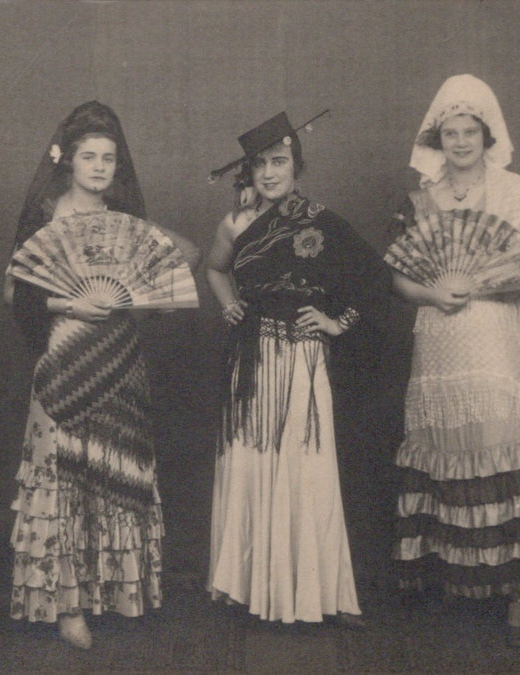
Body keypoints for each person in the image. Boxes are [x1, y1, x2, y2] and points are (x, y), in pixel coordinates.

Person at [387, 74, 520, 647]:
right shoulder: (420, 199)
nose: (461, 142)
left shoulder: (518, 195)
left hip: (495, 339)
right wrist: (431, 292)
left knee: (497, 443)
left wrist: (503, 278)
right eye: (451, 132)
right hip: (437, 339)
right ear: (437, 138)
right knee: (445, 445)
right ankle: (449, 575)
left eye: (470, 131)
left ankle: (516, 589)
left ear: (486, 136)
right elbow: (399, 276)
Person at [7, 101, 198, 650]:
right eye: (89, 157)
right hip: (64, 360)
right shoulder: (45, 218)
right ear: (67, 160)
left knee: (115, 475)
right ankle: (68, 607)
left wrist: (143, 297)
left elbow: (185, 254)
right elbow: (13, 292)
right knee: (66, 480)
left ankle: (114, 594)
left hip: (120, 361)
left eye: (108, 159)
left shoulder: (126, 221)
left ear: (118, 165)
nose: (98, 167)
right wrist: (70, 303)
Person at [205, 112, 387, 627]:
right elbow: (215, 269)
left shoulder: (322, 222)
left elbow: (374, 279)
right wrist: (228, 304)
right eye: (259, 164)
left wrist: (336, 322)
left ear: (296, 165)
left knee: (305, 471)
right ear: (248, 171)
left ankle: (314, 594)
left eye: (279, 161)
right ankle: (249, 590)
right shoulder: (235, 223)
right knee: (252, 465)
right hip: (252, 360)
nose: (269, 173)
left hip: (303, 361)